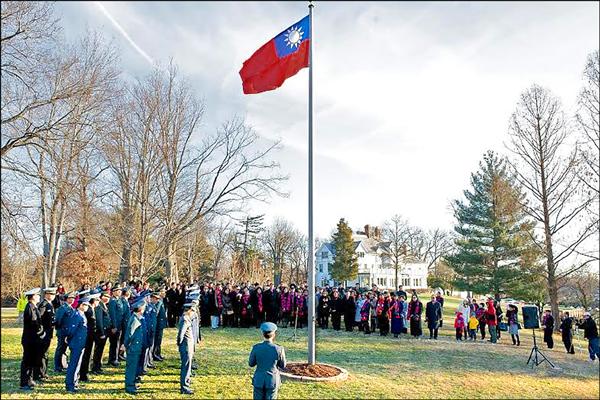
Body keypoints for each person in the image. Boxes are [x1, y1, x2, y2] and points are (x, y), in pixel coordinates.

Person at [249, 322, 287, 400]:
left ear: (262, 334)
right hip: (272, 381)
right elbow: (283, 365)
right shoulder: (279, 349)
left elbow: (251, 363)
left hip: (259, 380)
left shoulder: (256, 347)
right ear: (274, 335)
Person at [20, 288, 44, 391]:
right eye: (38, 295)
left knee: (31, 360)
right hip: (30, 339)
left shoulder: (33, 306)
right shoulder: (29, 307)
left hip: (33, 339)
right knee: (27, 361)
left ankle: (29, 380)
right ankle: (24, 383)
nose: (39, 297)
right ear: (33, 296)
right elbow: (34, 323)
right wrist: (41, 332)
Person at [65, 297, 90, 393]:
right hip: (76, 343)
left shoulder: (82, 315)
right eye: (85, 305)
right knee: (73, 364)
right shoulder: (77, 315)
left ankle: (74, 382)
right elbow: (71, 329)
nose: (87, 307)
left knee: (77, 364)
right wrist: (69, 338)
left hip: (80, 342)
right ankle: (70, 384)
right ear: (81, 305)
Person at [124, 298, 146, 394]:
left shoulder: (137, 318)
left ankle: (132, 384)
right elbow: (129, 334)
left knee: (134, 367)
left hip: (136, 347)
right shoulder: (134, 319)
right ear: (140, 309)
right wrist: (125, 345)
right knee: (131, 368)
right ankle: (129, 386)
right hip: (133, 348)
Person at [36, 287, 56, 382]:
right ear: (46, 294)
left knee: (45, 354)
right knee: (42, 354)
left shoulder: (50, 304)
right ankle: (40, 374)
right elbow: (39, 320)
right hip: (44, 334)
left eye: (54, 294)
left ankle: (43, 372)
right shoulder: (43, 305)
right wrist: (42, 333)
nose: (53, 296)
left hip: (48, 333)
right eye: (51, 294)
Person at [80, 294, 100, 382]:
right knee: (86, 355)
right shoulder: (88, 311)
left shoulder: (92, 309)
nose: (98, 301)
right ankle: (83, 374)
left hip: (91, 336)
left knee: (89, 355)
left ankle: (85, 373)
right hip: (87, 336)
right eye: (97, 300)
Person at [54, 291, 76, 372]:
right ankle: (57, 366)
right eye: (70, 298)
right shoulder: (62, 308)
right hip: (63, 332)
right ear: (66, 299)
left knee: (64, 349)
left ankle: (63, 364)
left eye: (73, 298)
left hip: (69, 332)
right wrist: (62, 331)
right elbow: (58, 321)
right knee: (60, 348)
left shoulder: (71, 308)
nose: (72, 300)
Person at [177, 302, 196, 395]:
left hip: (188, 345)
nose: (193, 313)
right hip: (186, 346)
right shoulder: (185, 319)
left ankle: (186, 381)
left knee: (188, 366)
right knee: (186, 366)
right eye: (192, 311)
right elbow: (181, 334)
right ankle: (184, 387)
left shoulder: (187, 318)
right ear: (189, 311)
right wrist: (180, 345)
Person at [92, 290, 111, 373]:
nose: (107, 298)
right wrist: (102, 333)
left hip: (105, 330)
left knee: (101, 349)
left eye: (108, 297)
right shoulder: (99, 306)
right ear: (101, 297)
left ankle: (98, 365)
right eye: (105, 296)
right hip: (101, 332)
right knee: (98, 350)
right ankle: (95, 367)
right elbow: (99, 321)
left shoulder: (104, 305)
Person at [107, 286, 124, 366]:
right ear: (113, 292)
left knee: (117, 342)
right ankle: (113, 359)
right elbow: (112, 314)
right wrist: (114, 326)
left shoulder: (119, 300)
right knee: (114, 343)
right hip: (115, 325)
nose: (119, 292)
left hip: (119, 324)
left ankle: (114, 358)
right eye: (117, 290)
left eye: (120, 290)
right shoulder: (113, 301)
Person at [153, 288, 168, 362]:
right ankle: (155, 354)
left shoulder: (161, 301)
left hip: (161, 323)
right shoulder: (159, 302)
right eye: (163, 292)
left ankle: (158, 353)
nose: (164, 293)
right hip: (158, 323)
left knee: (159, 340)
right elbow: (156, 312)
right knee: (157, 340)